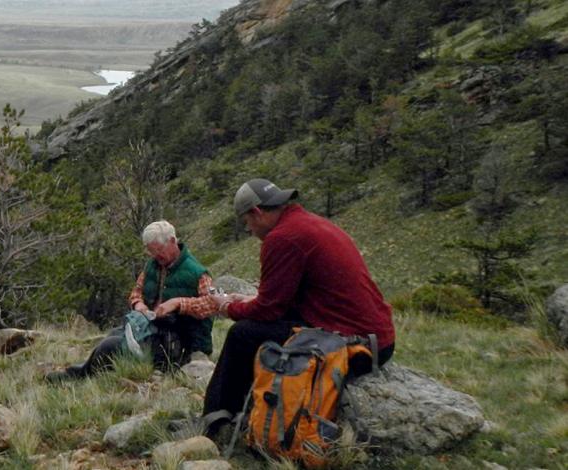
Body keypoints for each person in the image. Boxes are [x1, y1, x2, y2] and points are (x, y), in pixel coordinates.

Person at [198, 178, 396, 437]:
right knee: (260, 329)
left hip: (357, 345)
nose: (250, 230)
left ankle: (217, 419)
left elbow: (268, 311)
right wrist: (247, 300)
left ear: (257, 212)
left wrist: (228, 308)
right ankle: (245, 409)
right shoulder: (308, 223)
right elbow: (285, 300)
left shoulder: (282, 238)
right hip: (378, 338)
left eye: (247, 223)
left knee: (242, 334)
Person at [47, 220, 217, 381]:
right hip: (154, 329)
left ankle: (79, 376)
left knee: (111, 345)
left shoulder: (197, 272)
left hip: (180, 340)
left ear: (172, 241)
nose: (156, 256)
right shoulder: (152, 266)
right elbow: (136, 292)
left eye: (159, 250)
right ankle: (82, 373)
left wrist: (179, 303)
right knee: (114, 335)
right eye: (151, 252)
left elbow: (211, 305)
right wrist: (139, 304)